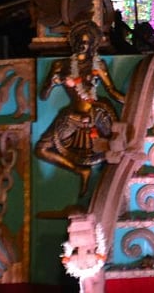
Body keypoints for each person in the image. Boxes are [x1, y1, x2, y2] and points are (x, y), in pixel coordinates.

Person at [35, 20, 122, 196]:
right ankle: (80, 171)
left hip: (97, 113)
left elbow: (112, 90)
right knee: (41, 149)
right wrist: (51, 84)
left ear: (92, 45)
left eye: (87, 42)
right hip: (72, 116)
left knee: (115, 150)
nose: (83, 45)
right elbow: (43, 96)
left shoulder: (98, 65)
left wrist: (127, 100)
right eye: (80, 42)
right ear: (74, 42)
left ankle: (112, 188)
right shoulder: (60, 66)